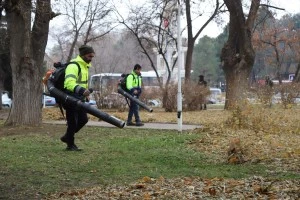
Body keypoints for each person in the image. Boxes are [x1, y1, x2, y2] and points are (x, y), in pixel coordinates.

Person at [60, 45, 95, 151]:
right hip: (70, 97)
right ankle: (70, 144)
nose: (91, 58)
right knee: (72, 122)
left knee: (83, 120)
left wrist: (86, 94)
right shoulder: (74, 66)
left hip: (79, 98)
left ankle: (67, 137)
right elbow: (69, 83)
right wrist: (82, 91)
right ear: (83, 55)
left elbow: (82, 83)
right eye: (89, 56)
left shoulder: (85, 66)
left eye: (92, 56)